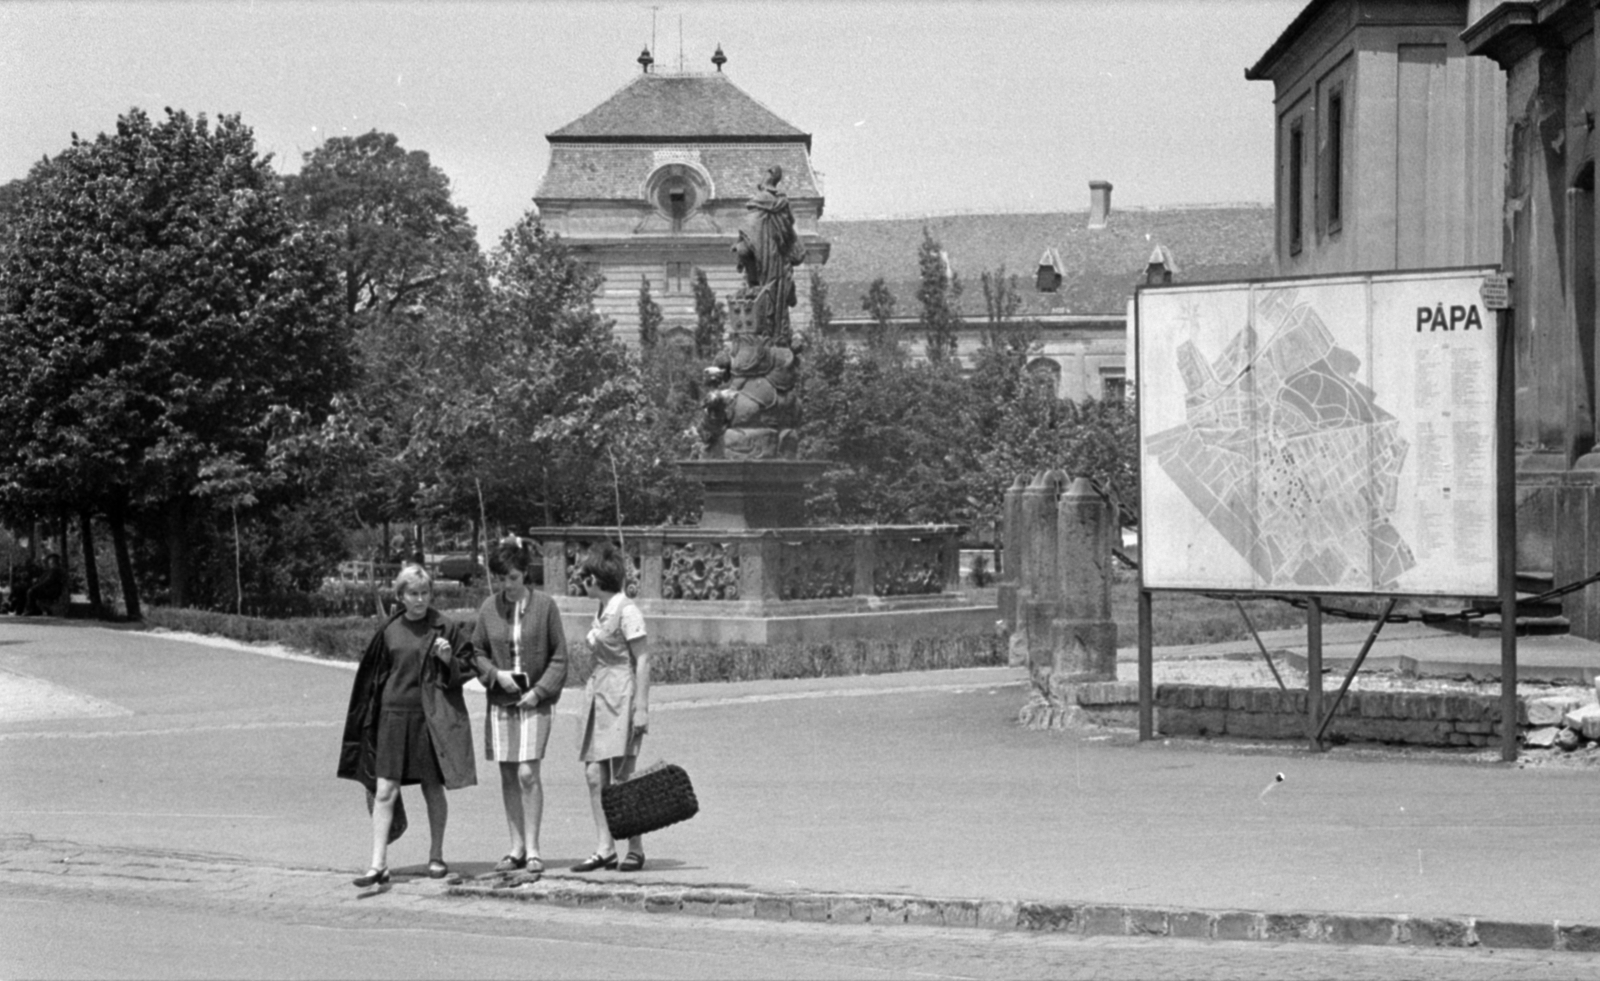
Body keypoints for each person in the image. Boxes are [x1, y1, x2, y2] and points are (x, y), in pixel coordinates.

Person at [337, 564, 476, 887]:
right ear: (400, 596)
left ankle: (436, 854)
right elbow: (374, 678)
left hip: (429, 717)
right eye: (413, 593)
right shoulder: (389, 629)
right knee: (385, 788)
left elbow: (466, 666)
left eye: (425, 593)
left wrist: (447, 661)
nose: (420, 599)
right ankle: (377, 864)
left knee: (432, 787)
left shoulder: (444, 626)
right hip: (392, 716)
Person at [470, 537, 567, 875]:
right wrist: (495, 674)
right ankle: (516, 848)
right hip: (501, 700)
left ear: (525, 574)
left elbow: (559, 656)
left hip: (534, 701)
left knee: (528, 772)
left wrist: (540, 691)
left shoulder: (545, 606)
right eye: (500, 578)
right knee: (508, 772)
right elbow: (476, 651)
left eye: (512, 577)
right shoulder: (488, 608)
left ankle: (535, 849)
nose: (506, 585)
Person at [572, 541, 652, 873]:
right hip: (598, 692)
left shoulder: (626, 610)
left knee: (622, 776)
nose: (580, 580)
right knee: (594, 773)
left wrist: (641, 708)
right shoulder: (601, 610)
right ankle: (605, 846)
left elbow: (643, 658)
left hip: (621, 693)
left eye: (584, 574)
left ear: (596, 578)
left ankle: (635, 846)